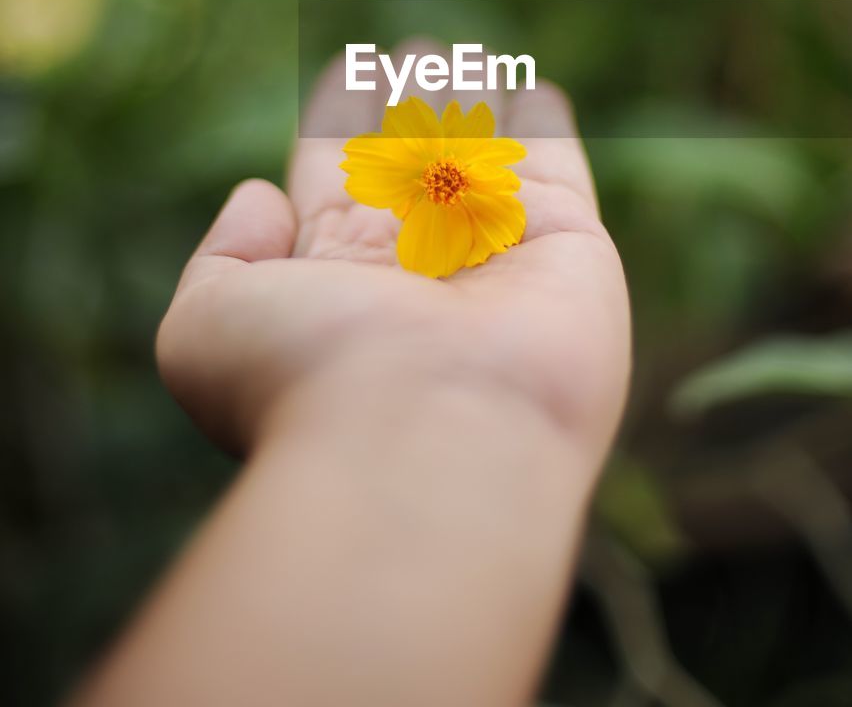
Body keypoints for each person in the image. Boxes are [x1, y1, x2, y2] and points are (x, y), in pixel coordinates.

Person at [71, 44, 631, 707]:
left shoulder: (479, 193)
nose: (444, 182)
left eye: (447, 179)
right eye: (441, 180)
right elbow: (377, 176)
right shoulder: (409, 183)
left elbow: (494, 199)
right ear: (434, 179)